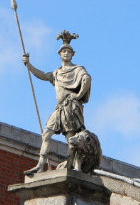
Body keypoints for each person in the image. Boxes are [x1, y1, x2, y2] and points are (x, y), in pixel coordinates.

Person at [22, 31, 91, 175]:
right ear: (59, 54)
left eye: (68, 52)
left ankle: (75, 165)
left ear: (72, 54)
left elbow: (87, 79)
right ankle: (40, 165)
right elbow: (42, 75)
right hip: (59, 108)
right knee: (46, 134)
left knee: (71, 139)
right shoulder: (57, 73)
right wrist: (29, 65)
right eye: (63, 51)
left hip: (71, 107)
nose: (66, 53)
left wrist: (78, 95)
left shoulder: (77, 69)